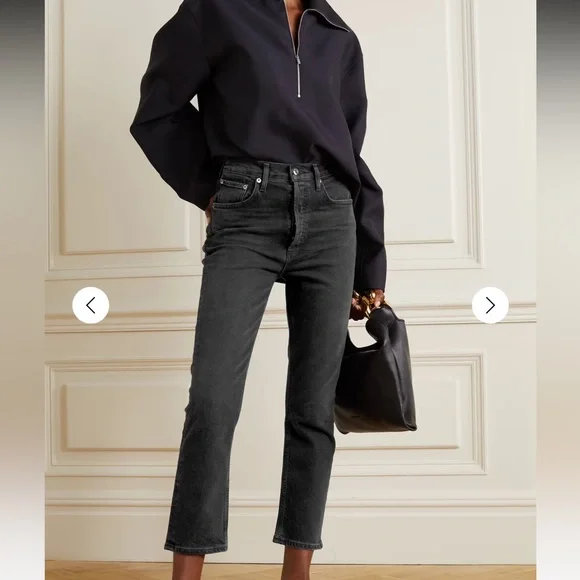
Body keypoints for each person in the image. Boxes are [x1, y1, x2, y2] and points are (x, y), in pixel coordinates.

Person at [129, 0, 386, 578]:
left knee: (313, 408)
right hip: (246, 206)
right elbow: (157, 111)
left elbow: (351, 156)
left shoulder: (338, 35)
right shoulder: (215, 11)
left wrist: (370, 266)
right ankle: (187, 572)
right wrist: (212, 189)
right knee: (212, 401)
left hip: (331, 215)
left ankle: (298, 570)